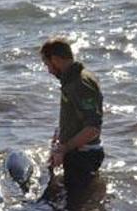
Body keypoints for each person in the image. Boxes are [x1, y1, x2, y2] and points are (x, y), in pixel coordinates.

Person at [40, 37, 104, 200]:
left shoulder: (80, 83)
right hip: (77, 153)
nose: (49, 71)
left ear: (55, 60)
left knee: (75, 205)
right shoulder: (71, 80)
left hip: (83, 155)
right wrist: (59, 137)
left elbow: (93, 128)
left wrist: (64, 148)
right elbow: (74, 116)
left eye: (48, 65)